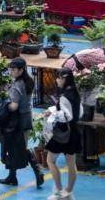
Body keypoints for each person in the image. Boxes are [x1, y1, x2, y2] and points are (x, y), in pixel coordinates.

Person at [0, 58, 44, 187]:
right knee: (18, 148)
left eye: (13, 69)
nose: (10, 71)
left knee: (15, 148)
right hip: (26, 118)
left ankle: (36, 171)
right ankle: (13, 177)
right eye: (10, 69)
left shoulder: (17, 86)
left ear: (21, 70)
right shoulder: (28, 81)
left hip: (17, 122)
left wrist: (4, 106)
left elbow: (14, 106)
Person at [44, 67, 81, 200]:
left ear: (64, 79)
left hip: (62, 132)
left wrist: (52, 112)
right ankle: (69, 192)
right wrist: (56, 109)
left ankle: (59, 191)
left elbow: (66, 116)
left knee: (50, 160)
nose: (56, 80)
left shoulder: (64, 96)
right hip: (74, 131)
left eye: (58, 77)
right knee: (71, 164)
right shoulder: (75, 93)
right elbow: (78, 113)